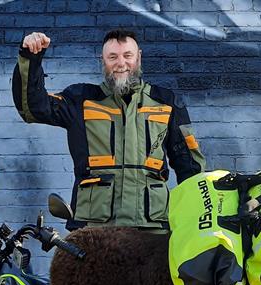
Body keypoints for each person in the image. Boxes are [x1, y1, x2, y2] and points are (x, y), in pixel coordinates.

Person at [12, 28, 206, 231]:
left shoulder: (167, 102)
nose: (121, 63)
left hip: (153, 230)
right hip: (92, 230)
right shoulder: (81, 100)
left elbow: (191, 169)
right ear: (103, 60)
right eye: (112, 57)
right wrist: (31, 58)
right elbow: (34, 109)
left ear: (138, 57)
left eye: (127, 55)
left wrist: (195, 224)